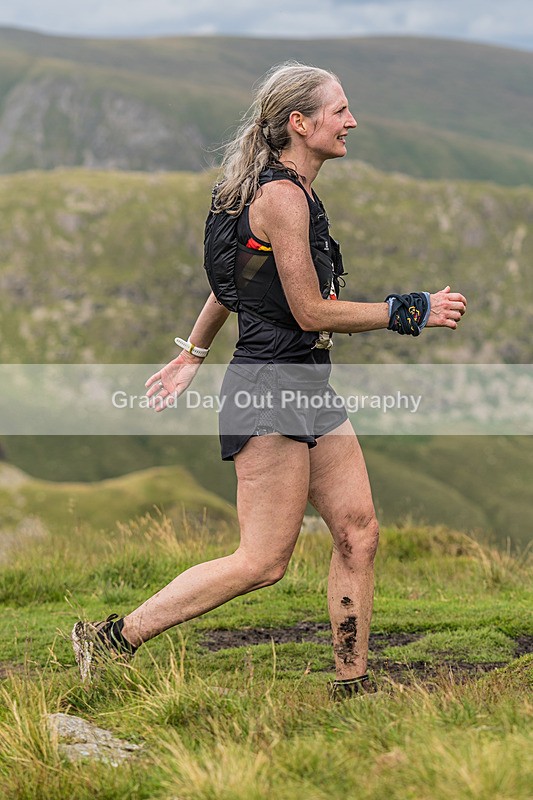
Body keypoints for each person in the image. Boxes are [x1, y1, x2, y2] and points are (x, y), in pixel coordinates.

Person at [72, 61, 467, 695]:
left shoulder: (284, 189)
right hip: (270, 390)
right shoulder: (282, 198)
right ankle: (111, 638)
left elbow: (234, 286)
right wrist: (405, 310)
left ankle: (352, 683)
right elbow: (310, 310)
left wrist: (191, 353)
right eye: (339, 110)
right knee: (262, 561)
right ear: (299, 122)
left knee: (358, 530)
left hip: (306, 383)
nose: (352, 121)